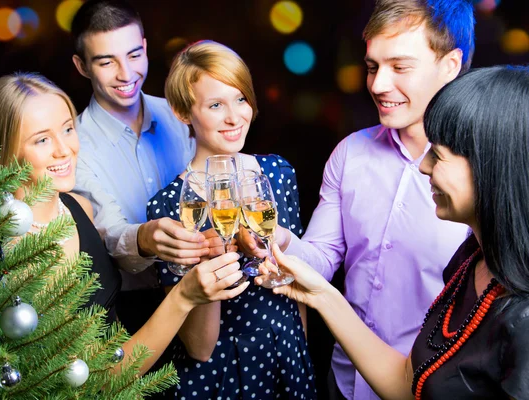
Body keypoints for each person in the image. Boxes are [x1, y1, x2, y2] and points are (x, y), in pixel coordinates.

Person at [240, 1, 475, 398]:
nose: (379, 84)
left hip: (431, 387)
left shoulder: (481, 172)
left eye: (400, 67)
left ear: (450, 66)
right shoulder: (351, 153)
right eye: (372, 67)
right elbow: (321, 257)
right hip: (344, 380)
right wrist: (278, 240)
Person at [260, 64, 529, 400]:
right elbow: (409, 384)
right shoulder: (472, 259)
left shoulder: (522, 317)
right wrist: (321, 295)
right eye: (372, 66)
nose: (424, 165)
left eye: (440, 155)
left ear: (493, 165)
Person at [0, 71, 249, 375]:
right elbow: (98, 381)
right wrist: (183, 297)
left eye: (67, 129)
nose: (63, 149)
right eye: (41, 139)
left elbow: (114, 339)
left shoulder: (79, 208)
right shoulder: (9, 248)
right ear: (3, 151)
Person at [145, 40, 316, 399]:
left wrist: (299, 353)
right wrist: (213, 251)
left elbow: (297, 286)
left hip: (287, 356)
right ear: (182, 111)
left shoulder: (277, 174)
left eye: (240, 99)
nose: (234, 117)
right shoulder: (167, 208)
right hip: (220, 374)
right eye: (215, 104)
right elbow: (199, 347)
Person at [69, 0, 207, 336]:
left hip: (207, 300)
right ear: (82, 66)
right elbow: (107, 234)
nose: (126, 74)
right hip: (132, 315)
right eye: (106, 62)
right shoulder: (73, 144)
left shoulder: (182, 116)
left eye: (133, 55)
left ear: (145, 47)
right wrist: (145, 238)